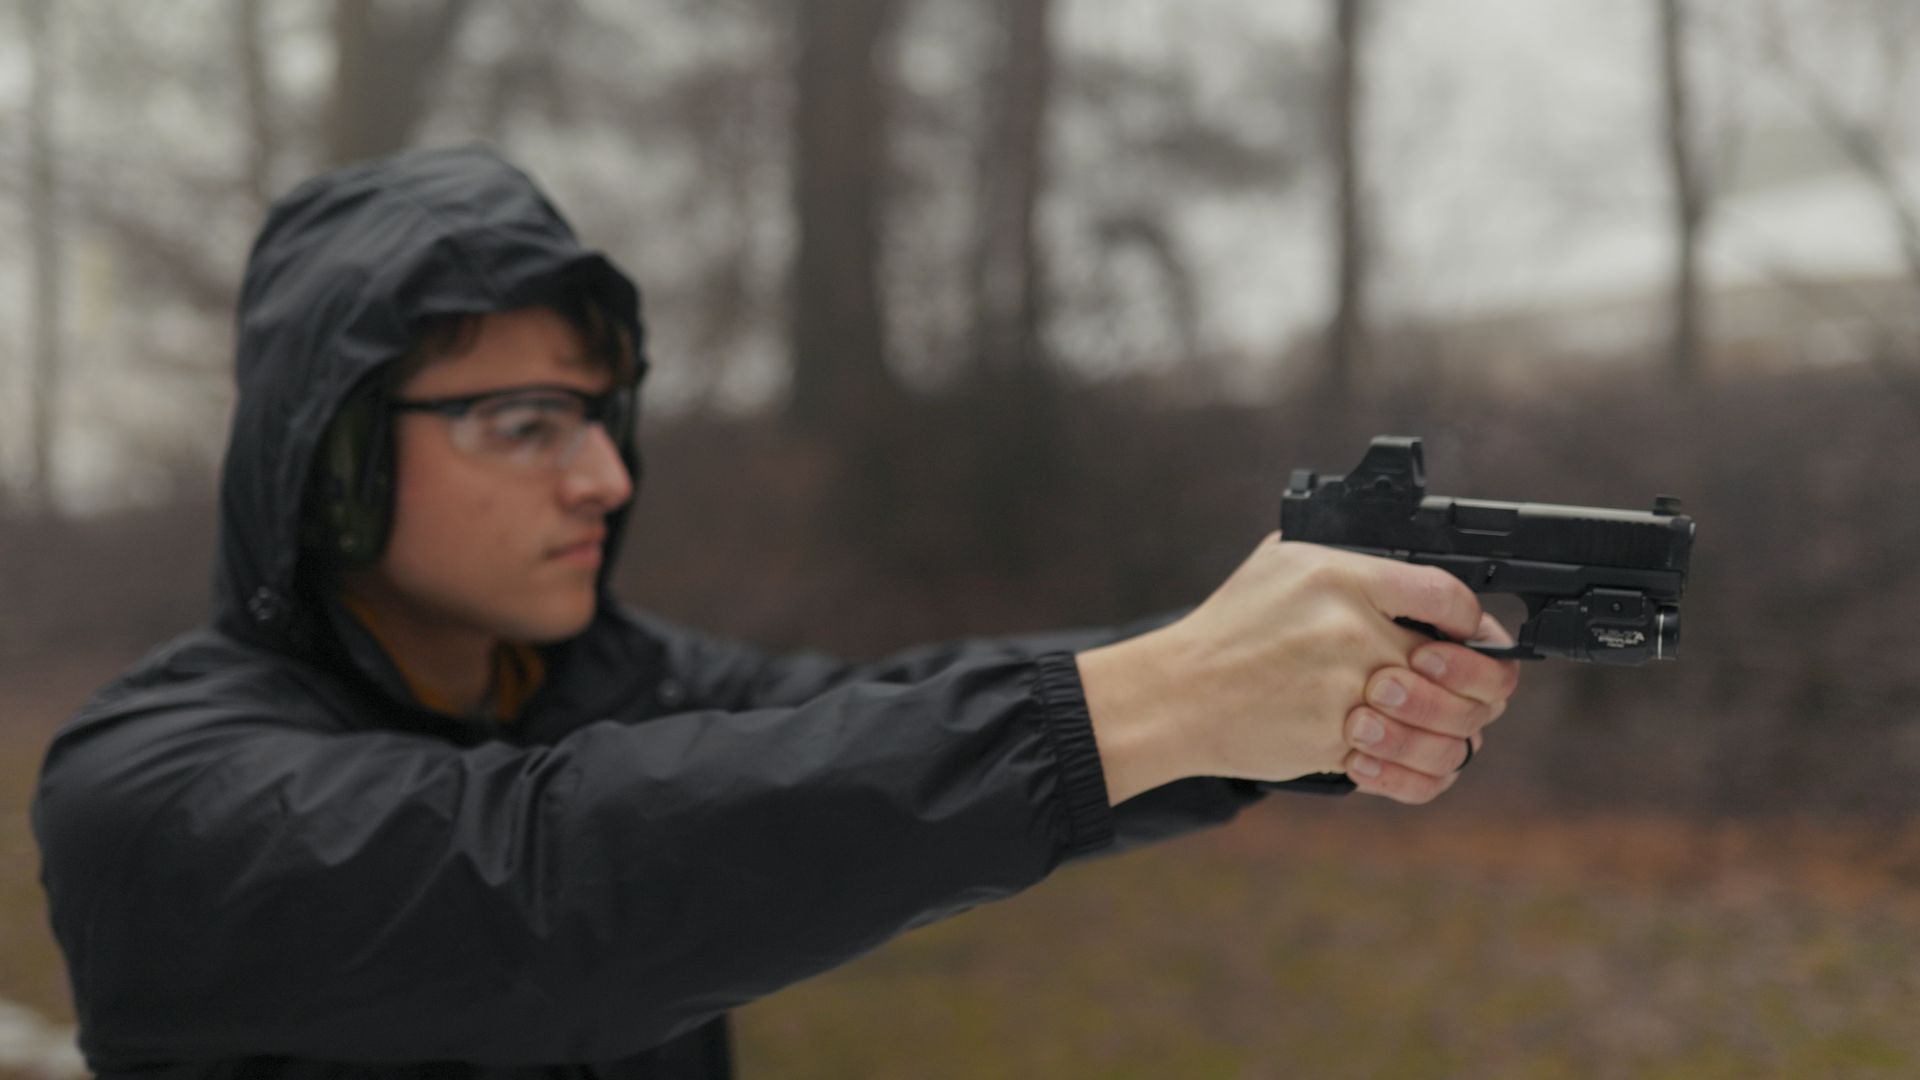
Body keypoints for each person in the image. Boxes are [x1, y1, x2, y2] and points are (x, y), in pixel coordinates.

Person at [32, 144, 1518, 1078]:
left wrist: (1276, 700)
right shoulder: (148, 800)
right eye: (526, 421)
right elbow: (551, 885)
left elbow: (884, 719)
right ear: (336, 454)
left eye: (605, 415)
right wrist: (1161, 701)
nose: (608, 476)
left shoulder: (616, 680)